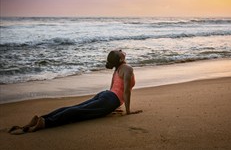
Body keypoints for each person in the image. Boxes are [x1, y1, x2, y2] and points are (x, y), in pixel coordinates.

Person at [9, 50, 142, 134]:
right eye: (120, 52)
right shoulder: (128, 68)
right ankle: (45, 123)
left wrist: (111, 106)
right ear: (120, 59)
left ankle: (42, 118)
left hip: (106, 96)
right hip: (110, 99)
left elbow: (113, 87)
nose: (121, 50)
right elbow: (126, 92)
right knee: (78, 112)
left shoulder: (117, 69)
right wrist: (128, 111)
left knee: (76, 107)